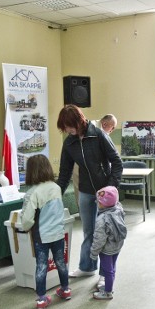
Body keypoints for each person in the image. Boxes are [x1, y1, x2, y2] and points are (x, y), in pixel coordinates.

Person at [56, 104, 122, 290]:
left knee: (106, 234)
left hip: (105, 193)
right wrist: (54, 195)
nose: (68, 130)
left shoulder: (99, 135)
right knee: (89, 231)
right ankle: (87, 266)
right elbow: (64, 173)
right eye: (65, 128)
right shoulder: (69, 142)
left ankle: (104, 274)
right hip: (85, 191)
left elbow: (116, 162)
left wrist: (111, 187)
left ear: (79, 121)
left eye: (70, 126)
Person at [20, 155, 71, 309]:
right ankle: (65, 289)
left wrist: (25, 226)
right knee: (60, 262)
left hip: (42, 236)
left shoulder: (32, 193)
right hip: (58, 233)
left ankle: (42, 299)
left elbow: (27, 219)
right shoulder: (56, 187)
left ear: (31, 171)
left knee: (41, 266)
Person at [71, 114, 118, 208]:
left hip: (90, 167)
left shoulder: (98, 129)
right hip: (81, 167)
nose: (112, 131)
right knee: (82, 194)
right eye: (112, 128)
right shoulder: (97, 131)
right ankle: (84, 213)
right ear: (104, 124)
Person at [90, 186, 127, 300]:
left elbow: (99, 239)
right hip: (117, 245)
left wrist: (93, 253)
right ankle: (108, 287)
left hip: (107, 250)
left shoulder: (102, 219)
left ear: (102, 204)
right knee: (112, 268)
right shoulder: (118, 209)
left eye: (99, 201)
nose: (97, 203)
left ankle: (107, 292)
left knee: (108, 270)